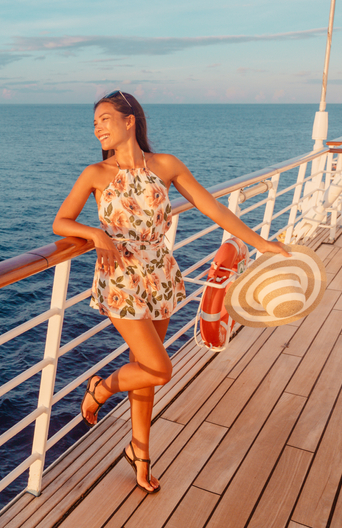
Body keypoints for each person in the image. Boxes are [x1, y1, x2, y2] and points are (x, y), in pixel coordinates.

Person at [52, 90, 290, 494]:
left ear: (130, 121)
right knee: (160, 369)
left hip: (160, 275)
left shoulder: (165, 165)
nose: (97, 129)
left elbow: (212, 207)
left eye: (105, 119)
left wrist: (260, 241)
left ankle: (140, 454)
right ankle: (101, 387)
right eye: (94, 123)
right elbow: (61, 222)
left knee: (145, 374)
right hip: (121, 281)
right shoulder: (95, 174)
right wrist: (94, 233)